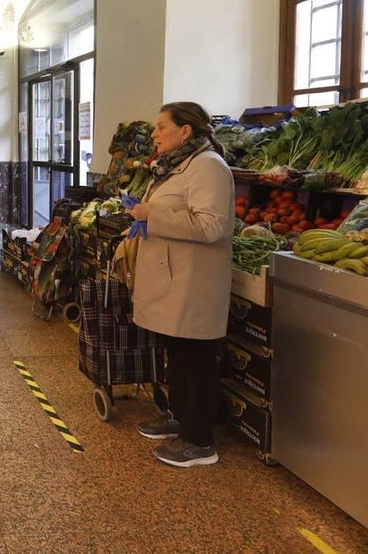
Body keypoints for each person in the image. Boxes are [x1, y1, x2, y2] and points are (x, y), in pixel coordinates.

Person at [129, 101, 234, 468]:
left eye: (161, 126)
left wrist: (152, 214)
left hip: (193, 280)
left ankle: (200, 441)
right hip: (172, 276)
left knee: (197, 356)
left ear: (185, 131)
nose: (154, 134)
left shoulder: (208, 166)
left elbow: (211, 225)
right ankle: (179, 417)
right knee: (177, 351)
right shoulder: (175, 165)